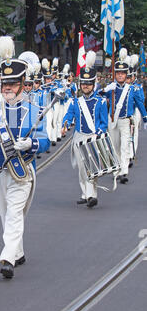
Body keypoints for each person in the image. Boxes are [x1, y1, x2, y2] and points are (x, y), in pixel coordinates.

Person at [0, 36, 49, 279]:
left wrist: (31, 143)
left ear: (23, 85)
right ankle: (18, 252)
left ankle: (7, 259)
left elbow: (45, 139)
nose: (8, 89)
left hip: (22, 172)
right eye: (5, 84)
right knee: (7, 215)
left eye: (13, 85)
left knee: (14, 213)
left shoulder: (33, 111)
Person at [62, 51, 108, 208]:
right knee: (83, 169)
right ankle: (87, 194)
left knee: (92, 167)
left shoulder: (101, 101)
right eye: (83, 83)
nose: (86, 86)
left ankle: (90, 195)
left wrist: (100, 133)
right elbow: (68, 116)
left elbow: (103, 122)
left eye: (88, 84)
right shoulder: (76, 101)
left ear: (93, 84)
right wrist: (65, 124)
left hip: (94, 137)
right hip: (79, 137)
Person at [100, 48, 147, 184]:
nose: (120, 76)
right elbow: (96, 98)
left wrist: (145, 118)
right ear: (115, 74)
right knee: (115, 145)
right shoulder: (111, 87)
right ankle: (117, 169)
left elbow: (140, 104)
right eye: (118, 73)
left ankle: (124, 171)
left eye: (122, 73)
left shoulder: (132, 89)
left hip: (126, 121)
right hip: (112, 120)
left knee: (125, 145)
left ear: (126, 75)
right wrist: (103, 90)